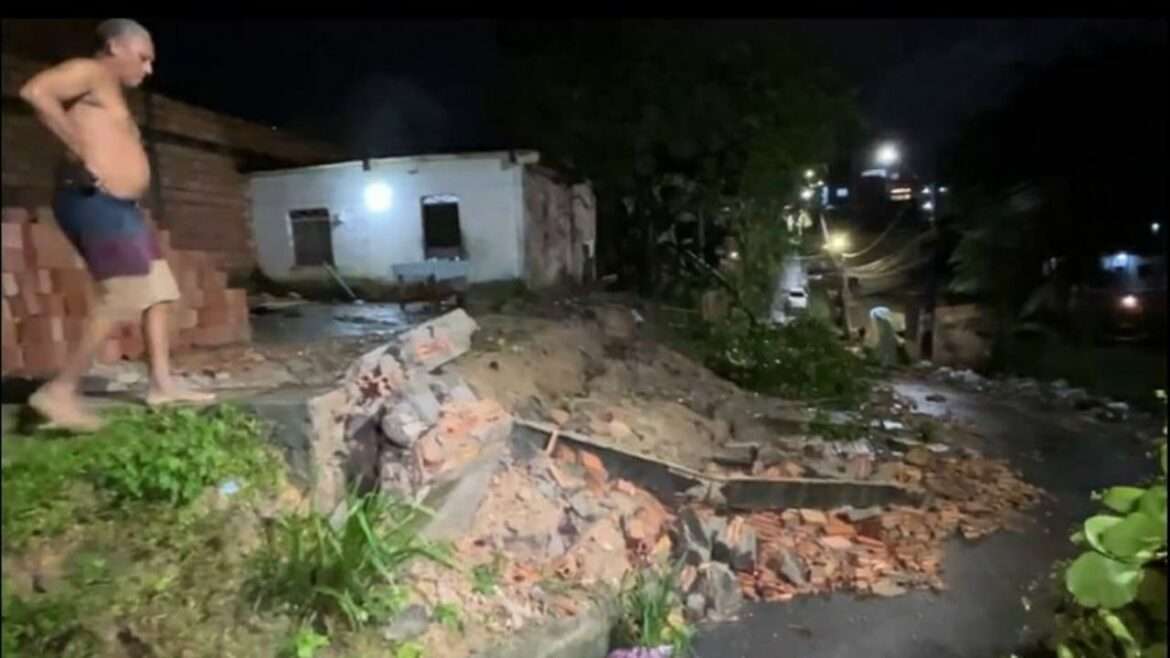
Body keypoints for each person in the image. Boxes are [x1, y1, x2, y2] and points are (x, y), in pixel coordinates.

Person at [19, 18, 213, 431]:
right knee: (123, 292)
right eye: (143, 58)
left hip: (122, 208)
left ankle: (161, 386)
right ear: (114, 48)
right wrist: (79, 149)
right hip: (93, 202)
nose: (147, 69)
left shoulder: (112, 94)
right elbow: (36, 92)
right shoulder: (88, 71)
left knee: (158, 290)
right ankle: (58, 393)